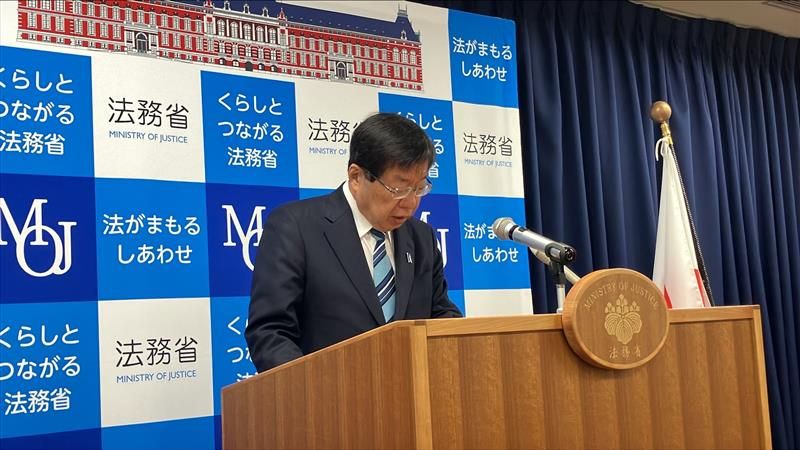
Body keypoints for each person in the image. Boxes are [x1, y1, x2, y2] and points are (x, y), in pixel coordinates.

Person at [245, 112, 463, 373]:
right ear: (357, 177)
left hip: (410, 391)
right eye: (400, 188)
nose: (411, 203)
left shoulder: (421, 237)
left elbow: (441, 315)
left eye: (419, 188)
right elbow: (271, 332)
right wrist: (311, 389)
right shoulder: (295, 227)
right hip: (327, 393)